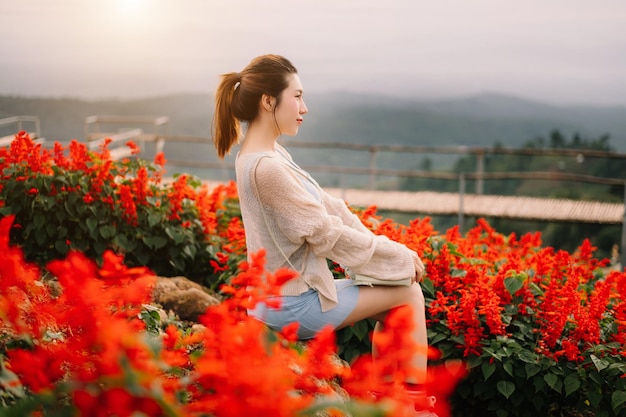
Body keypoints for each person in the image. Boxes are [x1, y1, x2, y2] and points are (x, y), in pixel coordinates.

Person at [212, 54, 436, 415]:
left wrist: (391, 253)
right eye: (297, 96)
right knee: (409, 294)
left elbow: (330, 209)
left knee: (395, 305)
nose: (304, 107)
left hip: (285, 297)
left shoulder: (268, 154)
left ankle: (385, 400)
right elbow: (324, 234)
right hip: (290, 305)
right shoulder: (265, 167)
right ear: (268, 101)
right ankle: (414, 407)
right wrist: (398, 259)